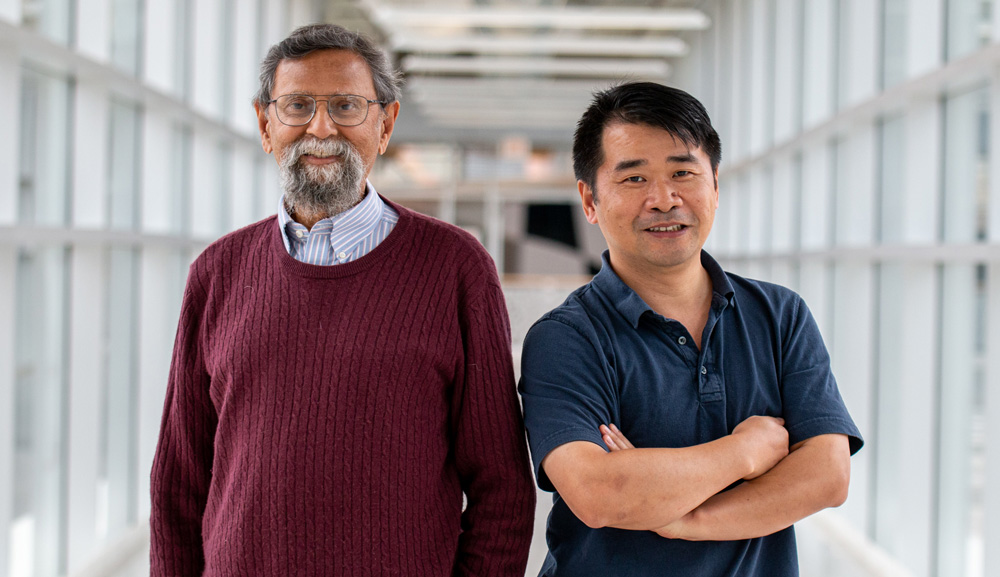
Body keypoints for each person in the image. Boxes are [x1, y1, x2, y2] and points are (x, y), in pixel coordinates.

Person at [150, 23, 535, 576]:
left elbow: (503, 490)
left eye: (347, 106)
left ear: (386, 124)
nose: (321, 128)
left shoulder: (456, 268)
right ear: (265, 124)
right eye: (298, 106)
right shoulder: (215, 274)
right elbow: (177, 486)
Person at [518, 82, 863, 576]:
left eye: (683, 172)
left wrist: (685, 518)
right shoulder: (567, 337)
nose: (664, 199)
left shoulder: (779, 314)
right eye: (634, 179)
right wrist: (747, 451)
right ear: (589, 200)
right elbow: (600, 493)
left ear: (715, 186)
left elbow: (827, 475)